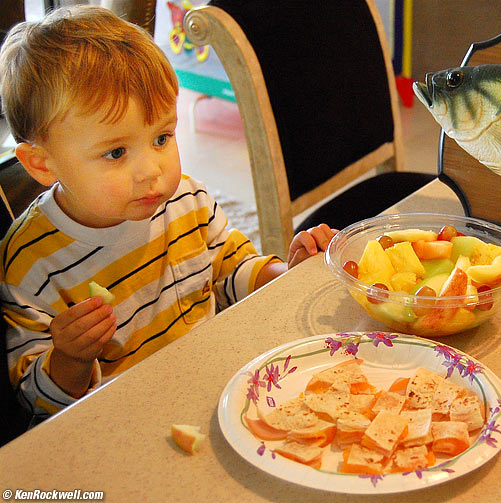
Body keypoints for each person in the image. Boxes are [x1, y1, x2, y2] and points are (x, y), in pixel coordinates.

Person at [0, 5, 336, 423]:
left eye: (162, 137)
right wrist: (69, 357)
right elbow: (37, 406)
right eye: (116, 152)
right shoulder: (30, 262)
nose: (152, 171)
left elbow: (231, 272)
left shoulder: (185, 199)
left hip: (214, 390)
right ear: (41, 164)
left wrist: (286, 274)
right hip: (124, 423)